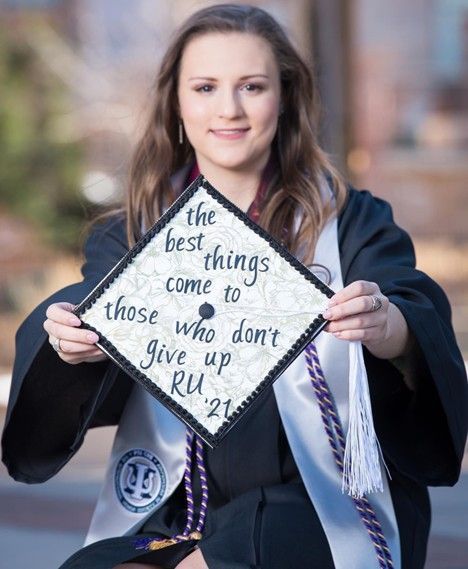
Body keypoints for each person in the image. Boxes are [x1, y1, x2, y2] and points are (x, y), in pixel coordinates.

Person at [2, 4, 467, 569]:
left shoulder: (349, 222)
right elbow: (86, 306)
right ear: (176, 102)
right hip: (179, 499)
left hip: (317, 497)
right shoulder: (136, 231)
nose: (229, 109)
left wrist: (389, 328)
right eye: (205, 87)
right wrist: (69, 345)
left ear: (285, 97)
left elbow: (410, 304)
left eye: (252, 86)